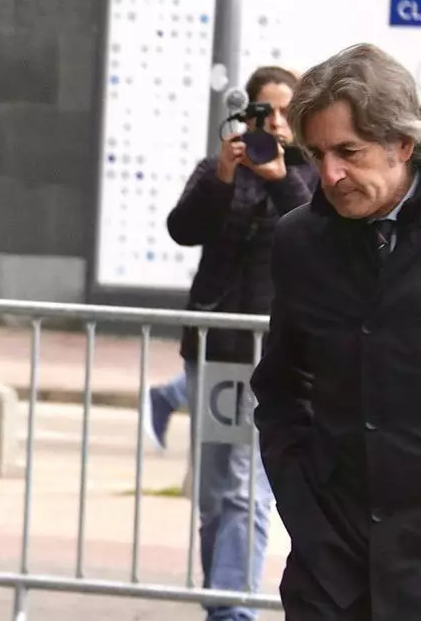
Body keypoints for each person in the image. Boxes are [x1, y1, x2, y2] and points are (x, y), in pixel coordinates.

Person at [252, 42, 421, 619]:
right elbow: (280, 389)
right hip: (331, 570)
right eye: (317, 153)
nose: (330, 174)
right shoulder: (300, 240)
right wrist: (308, 517)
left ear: (403, 144)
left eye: (349, 151)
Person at [161, 65, 320, 621]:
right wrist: (224, 176)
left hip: (274, 354)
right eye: (263, 111)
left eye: (286, 112)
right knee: (212, 494)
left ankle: (232, 610)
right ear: (245, 115)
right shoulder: (217, 168)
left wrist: (278, 177)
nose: (274, 123)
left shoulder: (313, 174)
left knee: (247, 488)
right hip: (213, 346)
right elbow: (183, 229)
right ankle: (221, 600)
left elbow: (314, 232)